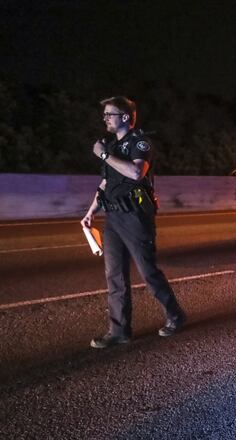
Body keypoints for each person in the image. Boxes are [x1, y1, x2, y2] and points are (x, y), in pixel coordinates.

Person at [81, 96, 186, 349]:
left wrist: (104, 154)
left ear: (125, 118)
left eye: (110, 114)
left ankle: (175, 315)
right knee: (114, 276)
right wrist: (91, 211)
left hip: (136, 217)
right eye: (105, 114)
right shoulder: (111, 145)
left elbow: (137, 172)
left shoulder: (140, 142)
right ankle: (119, 331)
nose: (105, 119)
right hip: (113, 218)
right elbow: (107, 183)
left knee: (148, 272)